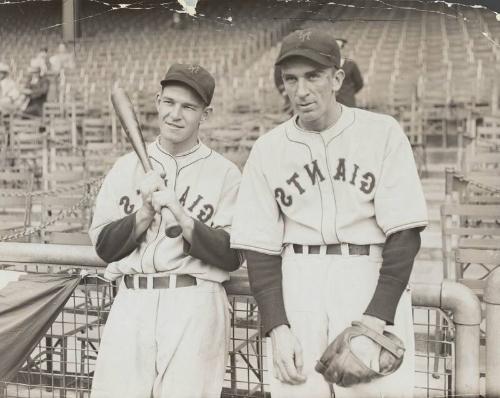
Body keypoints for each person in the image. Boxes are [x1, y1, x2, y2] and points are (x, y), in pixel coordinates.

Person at [231, 29, 427, 398]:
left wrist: (375, 319)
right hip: (298, 281)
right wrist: (277, 326)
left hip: (367, 278)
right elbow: (260, 249)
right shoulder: (267, 149)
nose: (301, 90)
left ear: (338, 78)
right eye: (291, 79)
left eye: (313, 76)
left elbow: (404, 234)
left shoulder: (382, 133)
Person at [89, 63, 242, 398]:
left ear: (206, 113)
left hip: (194, 302)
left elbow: (231, 255)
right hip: (131, 301)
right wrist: (142, 214)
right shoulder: (125, 168)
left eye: (189, 107)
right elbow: (104, 247)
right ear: (157, 101)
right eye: (170, 102)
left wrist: (182, 216)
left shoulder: (226, 174)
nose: (176, 114)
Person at [335, 38, 364, 107]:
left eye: (340, 47)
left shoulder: (351, 64)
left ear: (343, 49)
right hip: (333, 101)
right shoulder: (328, 65)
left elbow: (359, 83)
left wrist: (349, 93)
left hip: (347, 101)